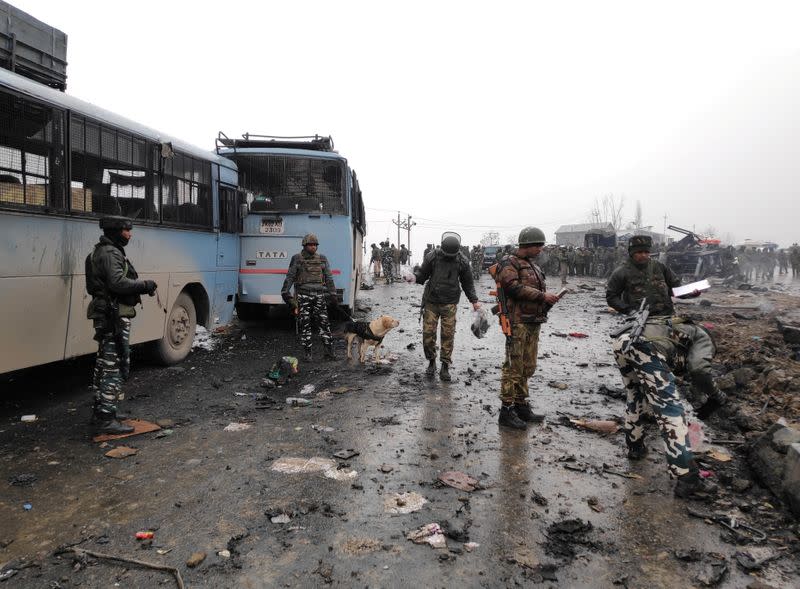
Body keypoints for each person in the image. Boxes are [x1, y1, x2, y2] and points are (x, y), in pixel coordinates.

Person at [606, 235, 725, 499]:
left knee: (636, 394)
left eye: (646, 252)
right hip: (640, 334)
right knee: (670, 409)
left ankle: (635, 444)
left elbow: (676, 287)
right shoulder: (621, 272)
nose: (643, 256)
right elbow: (698, 370)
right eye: (639, 252)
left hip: (626, 342)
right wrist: (629, 311)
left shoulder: (660, 268)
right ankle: (686, 477)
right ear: (631, 253)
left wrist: (689, 291)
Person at [85, 216, 157, 434]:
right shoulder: (109, 253)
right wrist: (145, 285)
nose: (129, 234)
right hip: (112, 316)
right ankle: (106, 419)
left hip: (108, 314)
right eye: (127, 230)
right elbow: (117, 283)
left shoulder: (104, 251)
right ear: (116, 231)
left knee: (104, 364)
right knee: (113, 366)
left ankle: (103, 412)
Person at [494, 227, 561, 429]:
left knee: (527, 366)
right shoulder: (510, 263)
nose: (541, 249)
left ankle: (521, 405)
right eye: (538, 245)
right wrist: (542, 296)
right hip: (517, 321)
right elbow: (512, 287)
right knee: (513, 367)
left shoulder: (532, 265)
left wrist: (547, 299)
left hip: (533, 320)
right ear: (527, 245)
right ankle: (506, 411)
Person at [411, 232, 480, 381]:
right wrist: (414, 277)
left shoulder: (462, 260)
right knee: (428, 334)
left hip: (450, 303)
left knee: (448, 335)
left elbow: (468, 283)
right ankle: (431, 362)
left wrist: (474, 300)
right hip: (431, 301)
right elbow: (423, 275)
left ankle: (445, 366)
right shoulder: (432, 257)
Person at [281, 233, 337, 361]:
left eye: (315, 245)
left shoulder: (322, 259)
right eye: (310, 245)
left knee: (324, 324)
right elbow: (290, 277)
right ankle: (308, 354)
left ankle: (329, 352)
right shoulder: (297, 258)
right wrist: (285, 292)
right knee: (305, 325)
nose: (313, 247)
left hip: (319, 295)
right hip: (303, 295)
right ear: (304, 245)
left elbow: (328, 277)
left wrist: (333, 294)